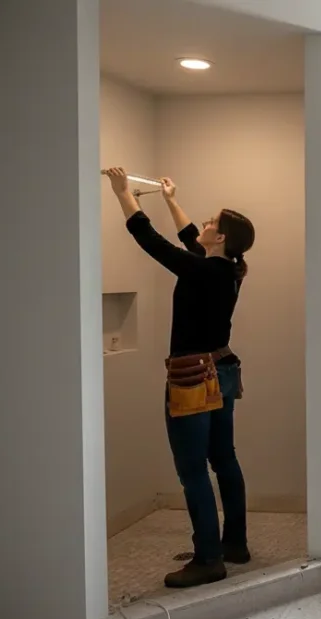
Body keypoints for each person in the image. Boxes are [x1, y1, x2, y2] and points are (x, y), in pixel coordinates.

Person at [103, 167, 257, 588]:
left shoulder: (203, 271)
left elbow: (150, 240)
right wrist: (171, 198)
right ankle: (234, 544)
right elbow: (190, 237)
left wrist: (123, 194)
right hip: (222, 370)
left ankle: (208, 558)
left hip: (193, 377)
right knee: (223, 457)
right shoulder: (225, 270)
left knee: (192, 469)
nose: (204, 225)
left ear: (221, 238)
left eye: (212, 223)